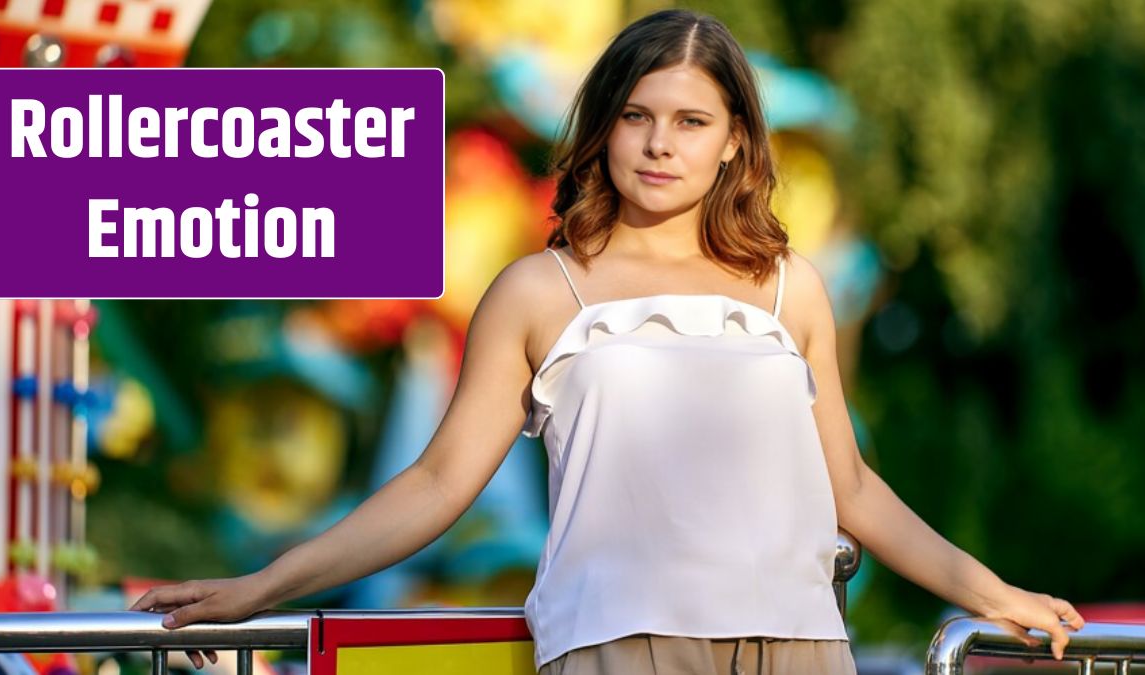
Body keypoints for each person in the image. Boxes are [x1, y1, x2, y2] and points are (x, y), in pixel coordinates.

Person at [130, 9, 1086, 674]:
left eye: (690, 121)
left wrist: (994, 591)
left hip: (799, 642)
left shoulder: (794, 289)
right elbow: (433, 487)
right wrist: (265, 585)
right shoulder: (539, 290)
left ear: (734, 144)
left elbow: (854, 490)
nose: (660, 144)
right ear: (603, 129)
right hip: (618, 644)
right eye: (636, 116)